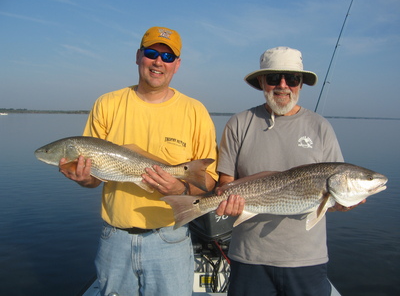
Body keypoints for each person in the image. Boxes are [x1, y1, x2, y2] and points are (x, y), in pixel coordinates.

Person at [59, 26, 218, 296]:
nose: (158, 62)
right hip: (114, 240)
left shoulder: (195, 111)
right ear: (138, 56)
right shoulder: (107, 104)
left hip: (170, 239)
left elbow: (210, 181)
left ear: (177, 65)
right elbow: (95, 177)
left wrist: (179, 190)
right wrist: (85, 178)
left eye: (168, 57)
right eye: (152, 53)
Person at [215, 46, 364, 296]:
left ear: (301, 83)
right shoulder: (238, 123)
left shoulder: (321, 127)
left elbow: (335, 192)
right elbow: (225, 182)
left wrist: (342, 202)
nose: (283, 85)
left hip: (307, 260)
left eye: (292, 78)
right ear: (262, 81)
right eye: (274, 78)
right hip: (249, 258)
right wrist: (227, 201)